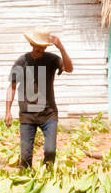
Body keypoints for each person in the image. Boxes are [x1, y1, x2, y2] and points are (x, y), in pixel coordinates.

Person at [5, 28, 73, 169]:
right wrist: (8, 111)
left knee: (50, 151)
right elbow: (11, 86)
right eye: (38, 49)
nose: (40, 51)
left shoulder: (52, 59)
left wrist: (61, 47)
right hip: (27, 115)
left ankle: (46, 178)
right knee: (25, 157)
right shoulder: (21, 62)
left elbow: (69, 68)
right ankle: (27, 181)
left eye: (43, 49)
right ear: (32, 44)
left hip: (48, 114)